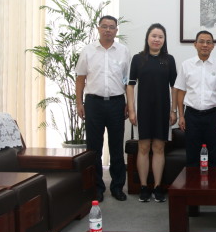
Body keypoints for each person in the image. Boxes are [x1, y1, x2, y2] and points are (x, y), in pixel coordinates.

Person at [75, 15, 130, 202]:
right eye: (104, 26)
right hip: (94, 103)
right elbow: (80, 78)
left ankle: (117, 187)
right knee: (94, 148)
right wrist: (79, 103)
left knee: (116, 147)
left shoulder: (123, 51)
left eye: (111, 27)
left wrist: (128, 104)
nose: (108, 30)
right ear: (98, 28)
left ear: (116, 30)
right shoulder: (88, 51)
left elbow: (127, 80)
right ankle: (97, 187)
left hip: (116, 103)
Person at [126, 23, 177, 202]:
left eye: (160, 37)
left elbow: (175, 87)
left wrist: (173, 110)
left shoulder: (169, 59)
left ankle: (157, 187)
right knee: (143, 147)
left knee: (159, 147)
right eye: (154, 36)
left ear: (164, 40)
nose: (157, 39)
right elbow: (130, 85)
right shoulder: (138, 59)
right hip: (143, 110)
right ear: (147, 38)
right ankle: (143, 186)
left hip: (163, 110)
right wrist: (131, 110)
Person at [174, 31, 216, 169]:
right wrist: (181, 115)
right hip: (191, 115)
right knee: (192, 154)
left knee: (214, 154)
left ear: (213, 46)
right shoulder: (186, 65)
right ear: (195, 44)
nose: (205, 45)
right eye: (202, 41)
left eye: (208, 42)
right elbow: (181, 91)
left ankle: (213, 182)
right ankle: (192, 182)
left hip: (213, 115)